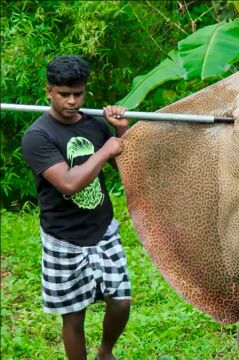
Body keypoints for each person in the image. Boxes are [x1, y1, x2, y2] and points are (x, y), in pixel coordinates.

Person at [21, 55, 131, 360]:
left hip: (103, 230)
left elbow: (124, 165)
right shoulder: (37, 136)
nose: (72, 101)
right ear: (49, 91)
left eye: (78, 94)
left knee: (121, 301)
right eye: (64, 94)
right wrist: (105, 149)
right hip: (63, 238)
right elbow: (68, 183)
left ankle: (105, 353)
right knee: (74, 315)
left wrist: (120, 131)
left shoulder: (95, 125)